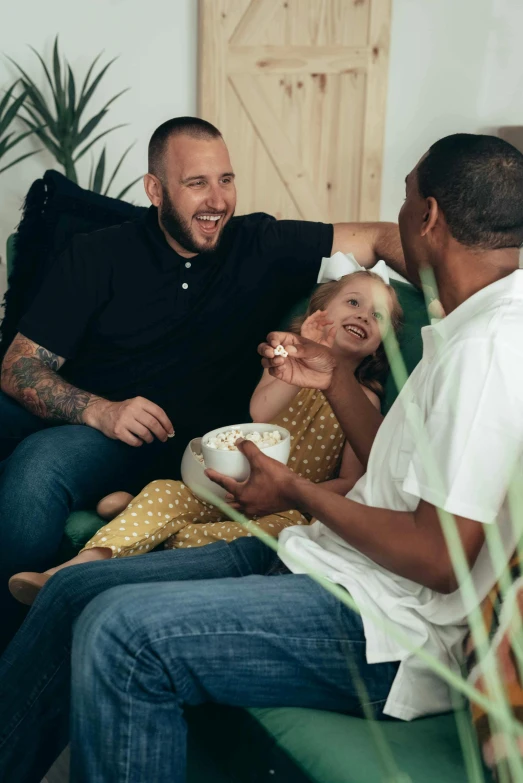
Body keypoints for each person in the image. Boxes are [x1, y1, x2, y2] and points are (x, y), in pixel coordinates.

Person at [2, 133, 522, 783]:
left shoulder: (492, 348)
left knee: (120, 633)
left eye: (406, 198)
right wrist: (333, 376)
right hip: (327, 559)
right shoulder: (470, 324)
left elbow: (438, 560)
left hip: (384, 626)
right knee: (76, 588)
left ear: (430, 217)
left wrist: (296, 491)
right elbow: (391, 468)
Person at [0, 116, 407, 648]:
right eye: (196, 184)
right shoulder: (97, 254)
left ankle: (19, 647)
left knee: (37, 471)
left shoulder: (263, 242)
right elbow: (18, 366)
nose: (217, 200)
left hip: (197, 450)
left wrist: (477, 302)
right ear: (155, 189)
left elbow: (380, 238)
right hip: (101, 426)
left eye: (226, 180)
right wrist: (102, 410)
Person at [8, 266, 402, 605]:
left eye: (378, 315)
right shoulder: (288, 360)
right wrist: (307, 350)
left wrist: (289, 491)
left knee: (269, 535)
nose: (365, 316)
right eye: (353, 303)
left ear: (383, 344)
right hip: (230, 485)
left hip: (287, 508)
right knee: (167, 491)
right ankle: (63, 574)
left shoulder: (365, 401)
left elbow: (352, 482)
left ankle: (142, 523)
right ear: (319, 311)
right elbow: (261, 411)